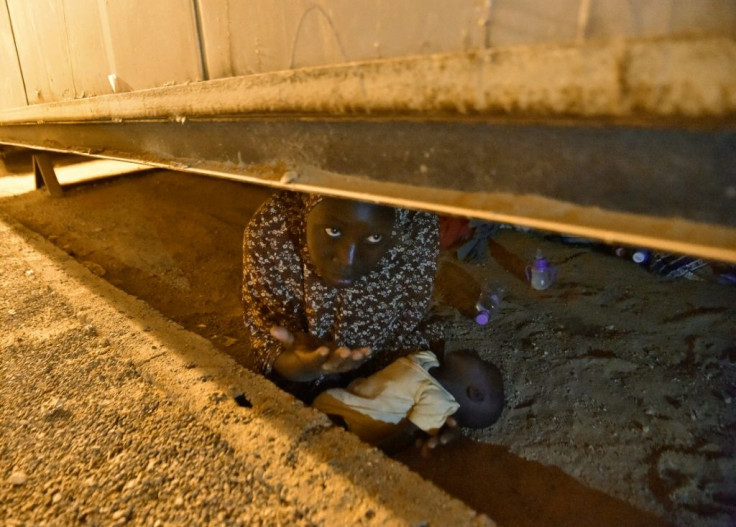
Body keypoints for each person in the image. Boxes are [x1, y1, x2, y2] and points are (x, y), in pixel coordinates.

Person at [242, 191, 442, 401]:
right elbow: (267, 344)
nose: (347, 259)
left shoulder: (416, 234)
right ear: (305, 216)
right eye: (333, 231)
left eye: (374, 237)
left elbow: (412, 328)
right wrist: (299, 366)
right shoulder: (273, 229)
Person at [312, 348, 504, 453]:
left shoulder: (439, 401)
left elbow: (407, 433)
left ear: (475, 393)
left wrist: (375, 453)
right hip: (338, 400)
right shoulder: (428, 358)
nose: (477, 352)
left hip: (356, 426)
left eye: (483, 362)